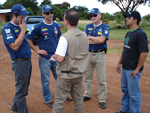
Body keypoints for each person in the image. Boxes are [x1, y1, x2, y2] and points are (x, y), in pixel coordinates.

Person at [26, 5, 71, 108]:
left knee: (60, 78)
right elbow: (28, 38)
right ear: (43, 14)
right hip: (44, 59)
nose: (50, 14)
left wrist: (62, 52)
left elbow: (60, 39)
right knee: (45, 80)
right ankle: (48, 99)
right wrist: (37, 50)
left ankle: (63, 96)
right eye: (47, 13)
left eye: (51, 12)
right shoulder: (38, 26)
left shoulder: (55, 25)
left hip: (56, 57)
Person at [51, 10, 90, 113]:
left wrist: (54, 55)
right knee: (78, 100)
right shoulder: (85, 36)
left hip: (65, 75)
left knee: (59, 102)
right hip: (78, 74)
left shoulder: (65, 37)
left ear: (66, 21)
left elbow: (59, 59)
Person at [116, 11, 149, 113]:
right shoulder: (129, 33)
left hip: (132, 70)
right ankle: (125, 109)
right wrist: (119, 63)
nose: (126, 19)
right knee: (125, 90)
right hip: (125, 67)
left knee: (134, 94)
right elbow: (125, 49)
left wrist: (137, 69)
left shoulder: (140, 34)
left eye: (129, 18)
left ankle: (134, 111)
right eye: (126, 17)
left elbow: (144, 52)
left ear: (135, 20)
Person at [2, 4, 32, 113]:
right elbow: (14, 46)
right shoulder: (7, 29)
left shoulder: (20, 26)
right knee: (21, 92)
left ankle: (14, 109)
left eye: (24, 17)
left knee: (22, 89)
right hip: (20, 62)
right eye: (21, 17)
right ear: (14, 15)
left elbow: (26, 40)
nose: (23, 19)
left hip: (26, 62)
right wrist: (23, 30)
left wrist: (36, 50)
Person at [83, 8, 110, 109]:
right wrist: (95, 39)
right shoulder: (88, 26)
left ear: (100, 15)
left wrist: (90, 37)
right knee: (87, 77)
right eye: (91, 16)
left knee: (101, 79)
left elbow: (102, 40)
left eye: (94, 15)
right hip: (88, 54)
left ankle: (102, 99)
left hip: (100, 54)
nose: (92, 17)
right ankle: (87, 94)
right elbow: (84, 40)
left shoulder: (105, 26)